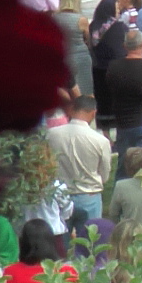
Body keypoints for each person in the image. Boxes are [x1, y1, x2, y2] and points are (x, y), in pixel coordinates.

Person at [44, 96, 113, 224]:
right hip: (89, 194)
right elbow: (105, 173)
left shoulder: (50, 135)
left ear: (71, 110)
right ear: (93, 113)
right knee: (91, 239)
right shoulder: (100, 140)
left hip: (60, 194)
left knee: (63, 239)